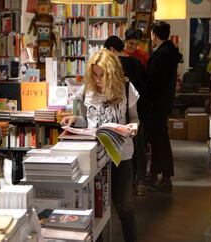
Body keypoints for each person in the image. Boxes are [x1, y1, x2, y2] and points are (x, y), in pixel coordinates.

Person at [61, 49, 139, 242]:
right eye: (94, 74)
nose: (97, 80)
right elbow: (84, 120)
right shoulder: (87, 89)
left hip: (121, 154)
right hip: (93, 155)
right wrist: (74, 118)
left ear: (111, 73)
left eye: (102, 75)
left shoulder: (126, 88)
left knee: (124, 205)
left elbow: (135, 118)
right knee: (95, 207)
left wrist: (134, 126)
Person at [103, 35, 148, 196]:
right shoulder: (137, 63)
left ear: (111, 50)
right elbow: (144, 87)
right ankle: (139, 182)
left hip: (118, 117)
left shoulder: (110, 67)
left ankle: (117, 186)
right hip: (136, 110)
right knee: (137, 148)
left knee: (119, 150)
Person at [145, 21, 182, 192]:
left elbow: (155, 81)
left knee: (160, 140)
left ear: (155, 34)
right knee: (158, 140)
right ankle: (157, 174)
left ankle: (164, 177)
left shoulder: (163, 54)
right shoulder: (168, 52)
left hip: (157, 104)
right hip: (162, 103)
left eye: (152, 34)